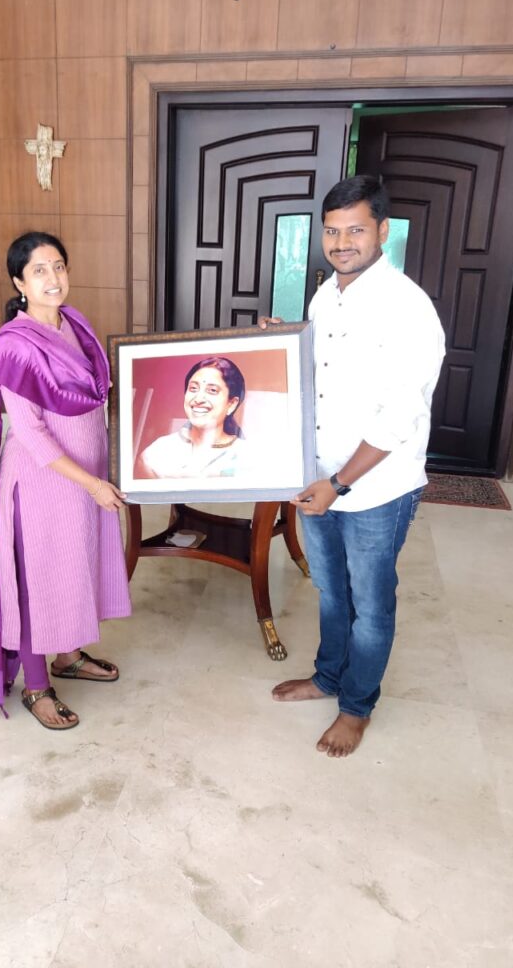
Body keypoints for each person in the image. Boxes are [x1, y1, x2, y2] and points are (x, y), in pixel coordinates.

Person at [263, 175, 445, 757]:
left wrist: (338, 485)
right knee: (330, 592)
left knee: (370, 605)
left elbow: (399, 417)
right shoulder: (326, 296)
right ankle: (328, 676)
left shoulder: (408, 308)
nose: (342, 243)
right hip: (318, 476)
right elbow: (322, 369)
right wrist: (286, 341)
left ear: (383, 232)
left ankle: (356, 706)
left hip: (373, 489)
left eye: (356, 230)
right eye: (332, 231)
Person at [0, 231, 132, 730]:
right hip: (41, 484)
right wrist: (92, 484)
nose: (53, 278)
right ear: (19, 282)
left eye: (59, 266)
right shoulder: (13, 347)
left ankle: (67, 655)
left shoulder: (75, 325)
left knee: (73, 566)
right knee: (37, 581)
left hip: (84, 479)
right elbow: (33, 435)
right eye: (39, 270)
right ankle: (36, 685)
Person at [138, 356, 251, 479]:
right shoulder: (157, 453)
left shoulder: (249, 458)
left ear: (231, 404)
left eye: (212, 390)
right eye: (193, 388)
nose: (198, 399)